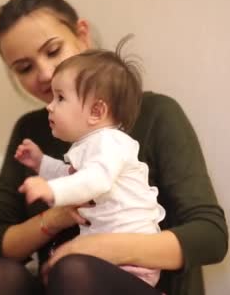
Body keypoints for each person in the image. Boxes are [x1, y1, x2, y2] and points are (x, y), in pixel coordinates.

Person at [0, 0, 228, 295]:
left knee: (75, 272)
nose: (44, 72)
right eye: (24, 68)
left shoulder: (157, 115)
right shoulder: (32, 131)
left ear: (82, 34)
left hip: (141, 284)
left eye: (53, 51)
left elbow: (210, 235)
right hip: (60, 282)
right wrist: (53, 217)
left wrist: (105, 248)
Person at [16, 43, 166, 287]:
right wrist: (41, 163)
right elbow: (70, 175)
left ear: (96, 111)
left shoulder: (111, 142)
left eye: (60, 98)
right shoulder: (90, 146)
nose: (50, 106)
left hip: (132, 266)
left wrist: (52, 191)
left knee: (70, 270)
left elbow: (95, 181)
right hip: (107, 262)